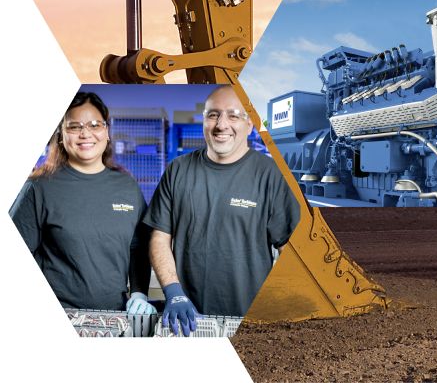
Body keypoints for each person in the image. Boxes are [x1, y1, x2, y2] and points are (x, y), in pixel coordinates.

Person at [144, 86, 301, 335]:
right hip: (187, 320)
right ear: (204, 121)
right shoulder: (178, 170)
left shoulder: (271, 175)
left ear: (249, 124)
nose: (221, 125)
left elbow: (293, 251)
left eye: (233, 115)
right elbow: (160, 237)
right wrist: (173, 292)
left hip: (250, 322)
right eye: (213, 115)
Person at [10, 90, 156, 318]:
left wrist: (139, 293)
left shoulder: (127, 187)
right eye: (74, 126)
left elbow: (138, 249)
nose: (85, 133)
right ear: (61, 135)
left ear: (106, 132)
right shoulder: (38, 188)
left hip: (115, 317)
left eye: (95, 125)